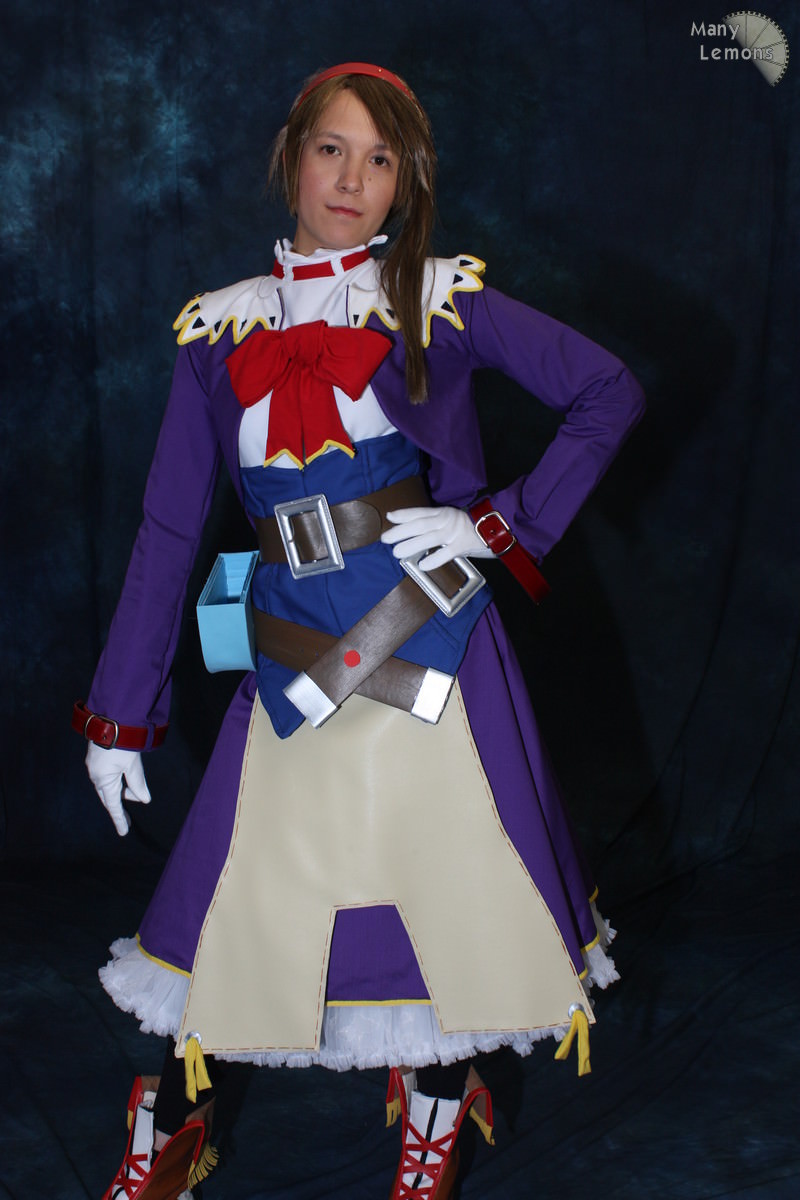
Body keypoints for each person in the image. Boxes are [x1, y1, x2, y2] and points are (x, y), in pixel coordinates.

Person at [74, 61, 645, 1200]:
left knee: (444, 881)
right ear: (291, 157)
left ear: (406, 181)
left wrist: (498, 523)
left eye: (380, 159)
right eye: (331, 149)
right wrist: (119, 713)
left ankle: (438, 1101)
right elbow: (168, 528)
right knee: (243, 893)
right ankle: (176, 1117)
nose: (351, 179)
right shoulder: (215, 330)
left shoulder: (437, 301)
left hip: (427, 639)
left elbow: (607, 392)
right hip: (286, 646)